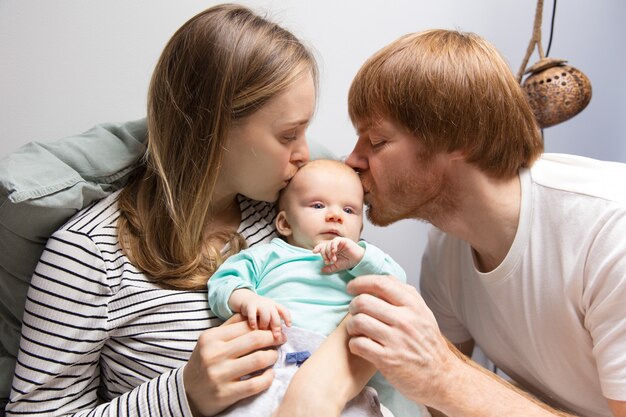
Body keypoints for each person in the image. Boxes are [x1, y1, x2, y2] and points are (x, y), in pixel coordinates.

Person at [5, 4, 358, 416]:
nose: (305, 154)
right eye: (288, 134)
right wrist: (182, 395)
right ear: (212, 130)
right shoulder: (89, 256)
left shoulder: (293, 215)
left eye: (305, 130)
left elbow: (364, 319)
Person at [338, 29, 626, 417]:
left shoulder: (611, 231)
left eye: (375, 141)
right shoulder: (446, 250)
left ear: (460, 138)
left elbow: (444, 383)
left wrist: (445, 375)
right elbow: (441, 408)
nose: (351, 161)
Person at [207, 159, 424, 417]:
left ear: (360, 229)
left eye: (349, 210)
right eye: (318, 205)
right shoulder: (267, 255)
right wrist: (246, 299)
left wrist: (360, 257)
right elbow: (222, 282)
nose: (335, 215)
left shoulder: (359, 262)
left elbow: (396, 287)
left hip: (339, 375)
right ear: (285, 224)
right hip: (271, 364)